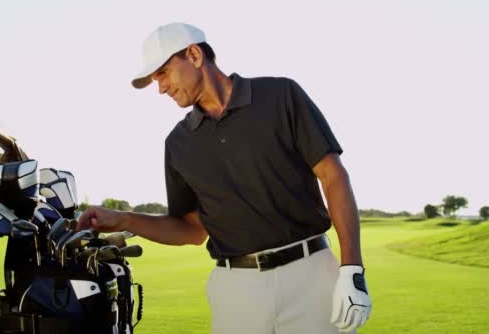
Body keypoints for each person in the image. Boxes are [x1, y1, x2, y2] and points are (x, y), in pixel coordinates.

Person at [77, 22, 371, 333]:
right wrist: (124, 220)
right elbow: (192, 229)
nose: (160, 87)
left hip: (311, 278)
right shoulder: (178, 143)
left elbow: (333, 176)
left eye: (162, 73)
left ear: (193, 54)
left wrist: (352, 268)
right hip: (236, 291)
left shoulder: (281, 95)